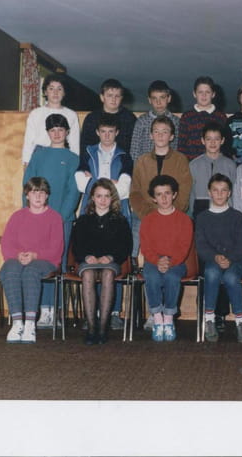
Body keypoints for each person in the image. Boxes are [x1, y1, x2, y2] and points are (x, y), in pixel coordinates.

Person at [74, 114, 133, 331]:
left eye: (111, 132)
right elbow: (80, 182)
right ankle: (93, 314)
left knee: (113, 262)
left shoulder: (124, 156)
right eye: (103, 132)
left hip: (117, 210)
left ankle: (113, 313)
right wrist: (105, 185)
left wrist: (96, 182)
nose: (107, 136)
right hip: (91, 210)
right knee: (92, 259)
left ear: (117, 133)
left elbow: (125, 188)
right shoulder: (88, 152)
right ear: (98, 132)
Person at [23, 113, 80, 328]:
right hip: (38, 218)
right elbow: (28, 184)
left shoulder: (73, 158)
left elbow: (73, 191)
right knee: (39, 262)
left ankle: (55, 309)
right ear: (47, 133)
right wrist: (30, 213)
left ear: (67, 132)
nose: (57, 134)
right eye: (52, 130)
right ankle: (42, 310)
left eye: (61, 130)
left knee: (58, 261)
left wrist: (60, 217)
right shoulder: (39, 154)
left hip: (62, 219)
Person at [0, 177, 64, 343]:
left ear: (47, 195)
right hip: (19, 258)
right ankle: (17, 323)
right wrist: (18, 255)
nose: (38, 196)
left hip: (45, 260)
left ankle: (29, 324)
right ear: (27, 195)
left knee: (31, 271)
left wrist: (35, 255)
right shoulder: (17, 216)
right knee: (10, 268)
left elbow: (56, 249)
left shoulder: (55, 218)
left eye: (42, 192)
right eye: (34, 192)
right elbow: (6, 244)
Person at [71, 179, 132, 345]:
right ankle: (91, 328)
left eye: (106, 196)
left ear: (112, 198)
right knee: (88, 274)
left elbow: (125, 246)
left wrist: (111, 257)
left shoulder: (120, 221)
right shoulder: (83, 220)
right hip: (88, 261)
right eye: (99, 196)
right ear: (92, 198)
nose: (103, 200)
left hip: (110, 262)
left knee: (107, 274)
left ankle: (103, 328)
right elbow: (76, 245)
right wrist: (86, 257)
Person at [195, 174, 242, 343]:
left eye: (223, 190)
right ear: (209, 192)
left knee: (231, 278)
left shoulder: (237, 216)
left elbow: (241, 245)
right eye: (215, 190)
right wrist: (215, 257)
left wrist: (229, 259)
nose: (219, 194)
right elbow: (201, 245)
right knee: (211, 273)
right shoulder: (202, 217)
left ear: (229, 193)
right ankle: (209, 319)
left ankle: (241, 321)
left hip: (234, 261)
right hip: (212, 260)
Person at [140, 175, 194, 342]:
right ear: (153, 198)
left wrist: (170, 262)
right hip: (153, 261)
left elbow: (184, 247)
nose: (163, 198)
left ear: (174, 194)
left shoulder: (184, 220)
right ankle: (157, 318)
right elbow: (146, 247)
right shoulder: (148, 220)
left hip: (176, 262)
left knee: (171, 277)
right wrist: (157, 261)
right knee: (151, 275)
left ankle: (168, 318)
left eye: (167, 193)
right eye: (159, 194)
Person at [129, 115, 192, 256]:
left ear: (172, 136)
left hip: (172, 211)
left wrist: (170, 212)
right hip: (146, 212)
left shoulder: (180, 160)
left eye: (165, 132)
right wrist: (147, 213)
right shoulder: (142, 161)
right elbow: (135, 192)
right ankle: (133, 261)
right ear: (151, 136)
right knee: (135, 223)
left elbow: (185, 190)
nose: (160, 135)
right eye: (156, 132)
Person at [21, 74, 80, 165]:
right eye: (51, 88)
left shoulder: (71, 115)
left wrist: (74, 163)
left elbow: (74, 143)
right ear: (45, 92)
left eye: (59, 89)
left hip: (62, 157)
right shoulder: (35, 114)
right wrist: (26, 163)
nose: (55, 92)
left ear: (64, 92)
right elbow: (29, 141)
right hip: (39, 157)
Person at [188, 121, 237, 219]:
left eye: (216, 139)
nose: (213, 143)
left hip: (225, 212)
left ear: (222, 140)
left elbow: (234, 193)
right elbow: (191, 193)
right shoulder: (194, 165)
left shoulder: (230, 165)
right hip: (201, 212)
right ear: (203, 140)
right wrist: (191, 216)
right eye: (208, 139)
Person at [79, 78, 136, 159]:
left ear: (121, 98)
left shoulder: (129, 118)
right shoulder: (91, 118)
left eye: (117, 96)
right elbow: (85, 146)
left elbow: (133, 147)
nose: (113, 99)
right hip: (96, 161)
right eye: (110, 95)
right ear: (102, 97)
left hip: (121, 162)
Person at [177, 76, 229, 160]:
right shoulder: (186, 117)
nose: (204, 95)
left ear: (213, 94)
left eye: (207, 92)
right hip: (191, 163)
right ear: (194, 94)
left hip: (216, 163)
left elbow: (225, 145)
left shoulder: (221, 117)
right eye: (200, 92)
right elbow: (181, 146)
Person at [130, 80, 180, 161]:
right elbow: (134, 150)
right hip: (145, 165)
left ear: (169, 98)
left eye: (162, 97)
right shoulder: (142, 121)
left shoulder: (176, 122)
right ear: (149, 100)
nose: (158, 102)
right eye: (154, 98)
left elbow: (178, 149)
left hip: (169, 164)